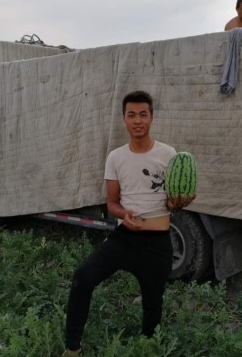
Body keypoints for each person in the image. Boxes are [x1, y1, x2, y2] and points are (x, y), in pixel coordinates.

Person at [62, 91, 196, 355]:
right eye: (131, 115)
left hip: (158, 243)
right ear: (124, 118)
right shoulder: (116, 157)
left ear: (151, 118)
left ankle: (146, 346)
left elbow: (171, 202)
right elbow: (112, 203)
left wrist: (179, 202)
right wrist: (124, 216)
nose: (137, 120)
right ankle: (72, 349)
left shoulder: (169, 154)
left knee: (152, 306)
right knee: (82, 278)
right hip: (124, 238)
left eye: (143, 114)